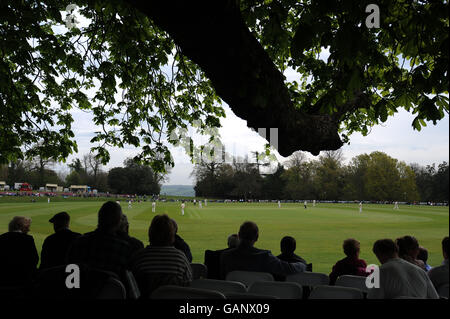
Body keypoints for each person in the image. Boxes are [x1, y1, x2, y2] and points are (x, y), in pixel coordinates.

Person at [130, 214, 192, 297]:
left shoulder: (139, 257)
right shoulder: (180, 258)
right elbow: (188, 284)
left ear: (150, 232)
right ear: (172, 235)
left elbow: (133, 288)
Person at [67, 201, 134, 277]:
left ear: (99, 217)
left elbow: (70, 276)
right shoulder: (124, 248)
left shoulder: (79, 242)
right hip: (112, 288)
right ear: (118, 222)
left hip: (81, 287)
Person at [220, 221, 306, 280]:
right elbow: (288, 269)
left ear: (239, 235)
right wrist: (302, 264)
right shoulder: (265, 256)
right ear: (257, 237)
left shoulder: (225, 256)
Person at [367, 239, 439, 299]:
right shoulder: (420, 271)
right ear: (396, 251)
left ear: (379, 255)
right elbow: (434, 297)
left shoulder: (379, 272)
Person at [0, 216, 39, 287]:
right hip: (24, 281)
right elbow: (34, 259)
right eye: (27, 227)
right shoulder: (28, 239)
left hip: (4, 279)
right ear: (21, 227)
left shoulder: (1, 238)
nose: (29, 229)